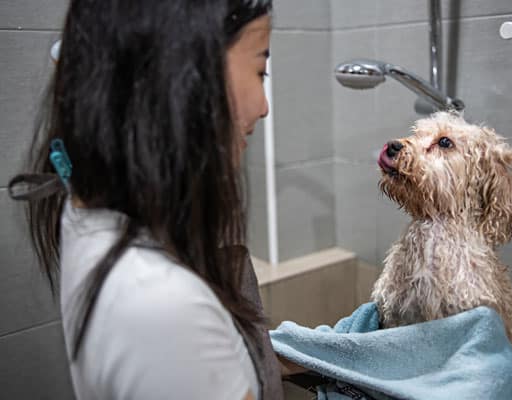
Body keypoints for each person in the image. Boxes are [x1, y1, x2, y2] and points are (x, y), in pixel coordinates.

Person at [8, 0, 304, 398]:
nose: (263, 106)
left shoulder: (85, 208)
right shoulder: (165, 308)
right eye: (259, 70)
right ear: (182, 78)